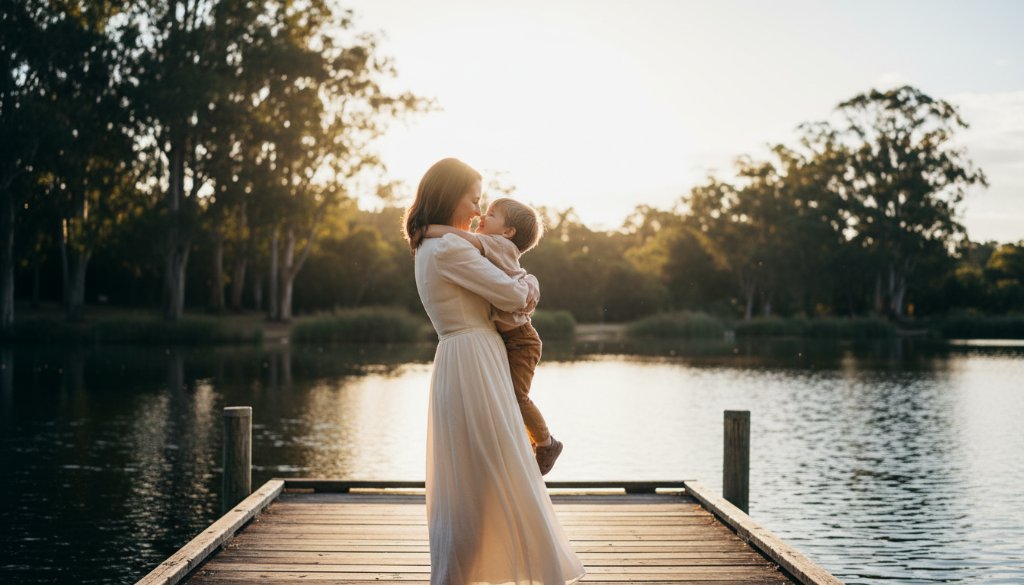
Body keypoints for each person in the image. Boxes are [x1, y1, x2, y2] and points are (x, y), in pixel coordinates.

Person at [404, 158, 585, 585]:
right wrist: (531, 285)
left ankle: (473, 570)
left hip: (462, 356)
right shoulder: (449, 249)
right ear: (450, 196)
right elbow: (510, 294)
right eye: (473, 197)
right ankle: (490, 570)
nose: (477, 208)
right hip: (474, 357)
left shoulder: (436, 244)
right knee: (492, 465)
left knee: (475, 469)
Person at [422, 198, 563, 475]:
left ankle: (547, 443)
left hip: (522, 340)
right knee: (507, 397)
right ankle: (524, 444)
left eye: (491, 214)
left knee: (516, 396)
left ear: (508, 232)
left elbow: (459, 236)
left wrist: (426, 230)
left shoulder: (497, 244)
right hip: (513, 339)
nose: (482, 217)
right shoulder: (496, 246)